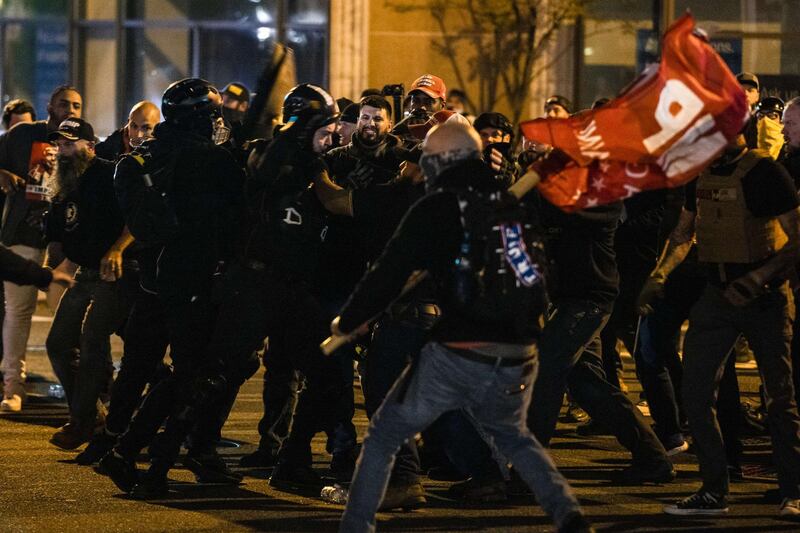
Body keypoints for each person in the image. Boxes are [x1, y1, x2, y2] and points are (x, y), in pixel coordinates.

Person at [333, 121, 592, 533]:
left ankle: (356, 525)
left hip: (462, 342)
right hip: (519, 347)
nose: (425, 167)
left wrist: (347, 321)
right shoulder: (509, 202)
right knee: (513, 436)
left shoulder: (437, 207)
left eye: (429, 160)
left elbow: (389, 272)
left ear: (444, 161)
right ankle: (568, 514)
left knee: (384, 434)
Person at [639, 133, 800, 517]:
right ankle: (714, 489)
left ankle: (793, 491)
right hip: (716, 293)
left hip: (765, 299)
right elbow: (683, 233)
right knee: (694, 394)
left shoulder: (765, 172)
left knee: (779, 397)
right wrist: (659, 275)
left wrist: (759, 278)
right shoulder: (703, 174)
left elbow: (798, 237)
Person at [100, 78, 245, 497]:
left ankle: (125, 451)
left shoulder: (154, 151)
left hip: (155, 279)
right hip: (193, 278)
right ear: (198, 115)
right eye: (214, 112)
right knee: (196, 375)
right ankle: (150, 462)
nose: (220, 121)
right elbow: (234, 210)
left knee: (177, 372)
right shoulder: (204, 158)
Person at [44, 118, 133, 450]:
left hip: (114, 273)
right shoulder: (63, 183)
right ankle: (91, 414)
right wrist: (46, 269)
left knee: (92, 340)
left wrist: (117, 250)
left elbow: (135, 217)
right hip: (83, 274)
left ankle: (81, 423)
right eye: (61, 144)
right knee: (57, 344)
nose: (64, 151)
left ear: (89, 146)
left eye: (71, 143)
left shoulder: (110, 174)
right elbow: (56, 237)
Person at [0, 84, 82, 412]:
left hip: (61, 242)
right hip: (22, 233)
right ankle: (12, 387)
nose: (71, 110)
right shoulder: (21, 135)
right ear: (50, 105)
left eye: (77, 105)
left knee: (68, 317)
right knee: (18, 312)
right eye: (65, 104)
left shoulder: (81, 141)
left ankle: (79, 389)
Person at [95, 101, 161, 161]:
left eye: (146, 128)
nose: (138, 135)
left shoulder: (164, 150)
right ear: (128, 123)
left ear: (158, 128)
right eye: (134, 126)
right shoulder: (117, 139)